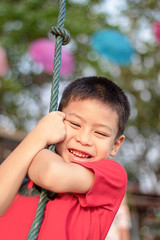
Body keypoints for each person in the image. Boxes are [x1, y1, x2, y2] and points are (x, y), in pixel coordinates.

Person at [0, 76, 130, 240]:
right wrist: (38, 135)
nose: (84, 139)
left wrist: (38, 141)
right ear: (58, 121)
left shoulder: (112, 176)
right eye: (75, 124)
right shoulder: (19, 179)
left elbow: (51, 173)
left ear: (116, 144)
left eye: (101, 133)